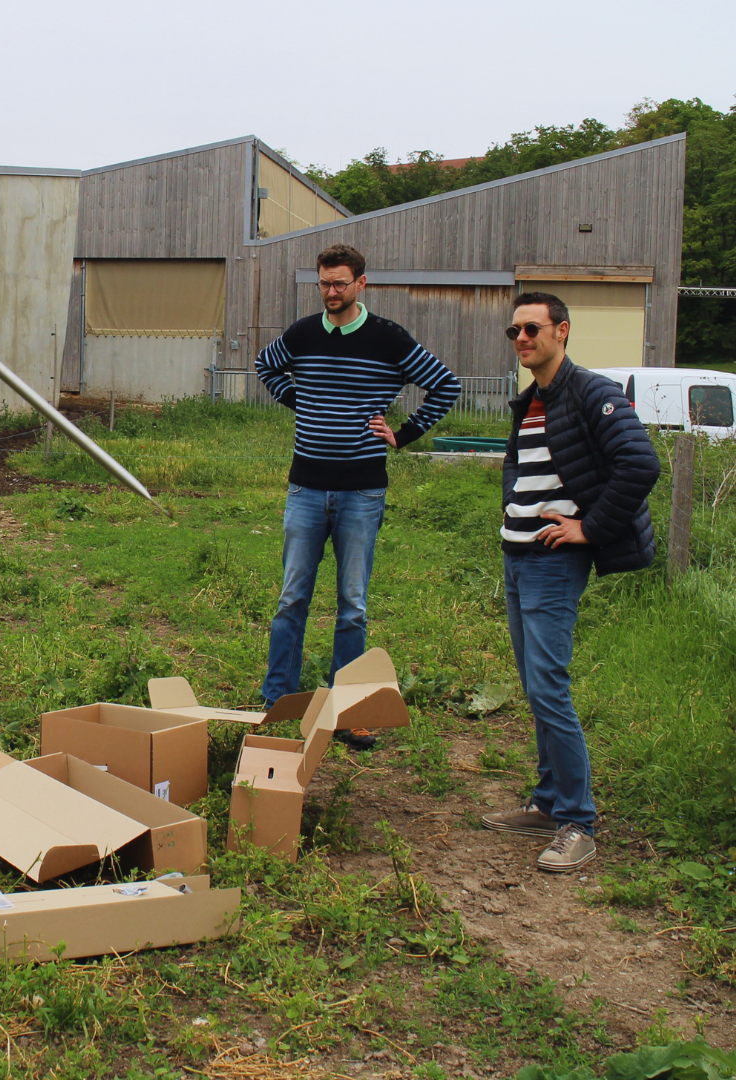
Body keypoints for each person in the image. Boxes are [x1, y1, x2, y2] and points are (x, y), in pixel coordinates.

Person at [482, 292, 660, 872]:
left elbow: (641, 463)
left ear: (562, 331)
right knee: (535, 689)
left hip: (553, 563)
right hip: (518, 556)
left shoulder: (592, 392)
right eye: (514, 331)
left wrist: (590, 528)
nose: (521, 339)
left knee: (549, 688)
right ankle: (548, 802)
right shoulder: (531, 399)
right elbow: (524, 469)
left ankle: (578, 822)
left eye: (531, 328)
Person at [256, 243, 460, 748]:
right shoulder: (302, 334)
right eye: (325, 283)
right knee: (291, 599)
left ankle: (346, 711)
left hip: (361, 492)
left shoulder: (388, 338)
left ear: (361, 284)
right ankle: (276, 701)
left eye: (340, 283)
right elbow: (265, 366)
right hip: (305, 487)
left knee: (352, 605)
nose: (331, 291)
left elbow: (446, 385)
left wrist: (403, 434)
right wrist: (298, 398)